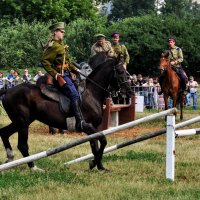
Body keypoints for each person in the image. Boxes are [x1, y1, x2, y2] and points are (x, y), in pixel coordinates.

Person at [41, 22, 93, 133]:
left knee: (79, 91)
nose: (63, 33)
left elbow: (67, 62)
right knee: (74, 95)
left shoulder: (61, 44)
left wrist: (77, 70)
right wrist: (55, 74)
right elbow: (45, 61)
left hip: (67, 74)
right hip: (61, 76)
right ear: (55, 32)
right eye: (61, 31)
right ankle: (80, 122)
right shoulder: (53, 45)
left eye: (63, 31)